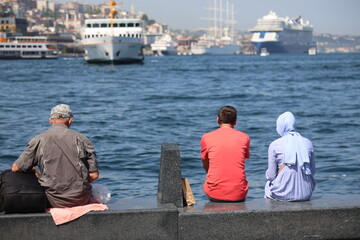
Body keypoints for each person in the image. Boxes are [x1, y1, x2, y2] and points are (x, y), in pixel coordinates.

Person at [12, 104, 99, 208]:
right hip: (81, 200)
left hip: (52, 200)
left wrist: (35, 172)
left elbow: (16, 168)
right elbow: (94, 175)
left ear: (51, 121)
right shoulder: (83, 139)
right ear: (70, 120)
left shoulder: (39, 140)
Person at [200, 106, 250, 202]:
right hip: (239, 192)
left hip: (214, 192)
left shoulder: (206, 137)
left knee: (208, 181)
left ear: (218, 120)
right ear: (235, 121)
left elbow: (205, 162)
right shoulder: (244, 137)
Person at [264, 111, 316, 201]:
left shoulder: (275, 144)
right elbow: (313, 171)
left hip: (282, 194)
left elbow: (271, 176)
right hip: (306, 194)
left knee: (268, 185)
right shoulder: (308, 143)